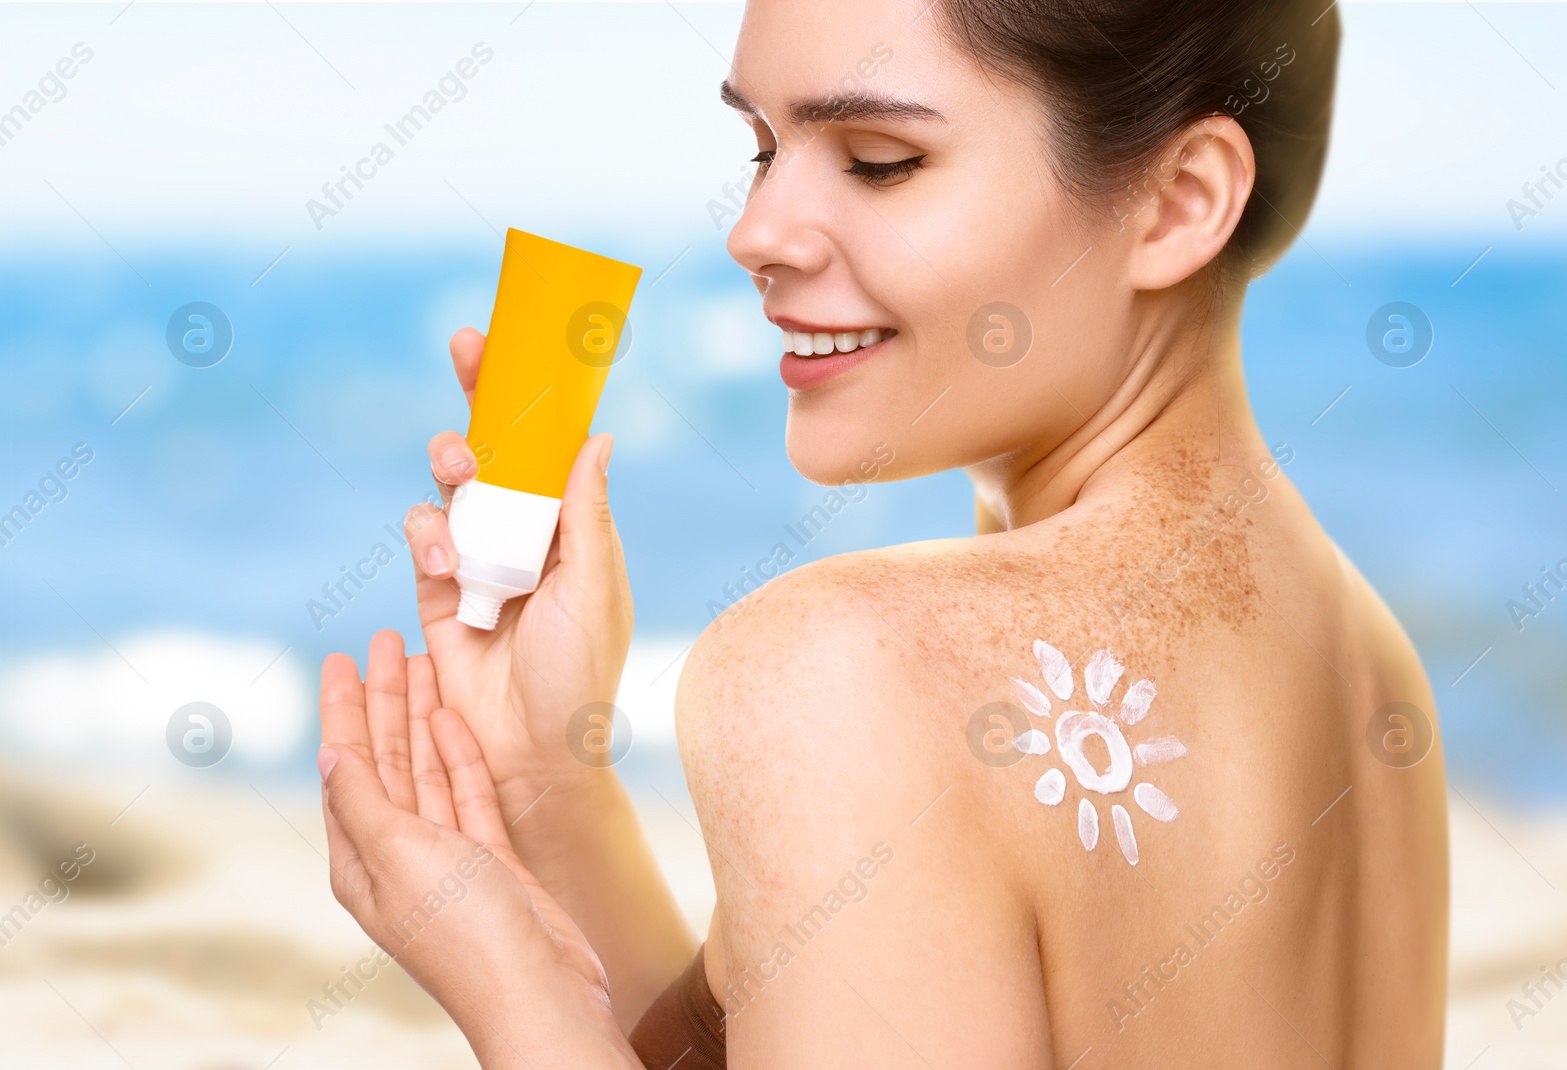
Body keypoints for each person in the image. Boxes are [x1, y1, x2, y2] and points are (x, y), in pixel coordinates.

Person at [316, 0, 1449, 1065]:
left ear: (1179, 200)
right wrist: (546, 785)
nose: (755, 233)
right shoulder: (1365, 658)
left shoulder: (845, 659)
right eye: (762, 148)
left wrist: (518, 1005)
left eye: (877, 161)